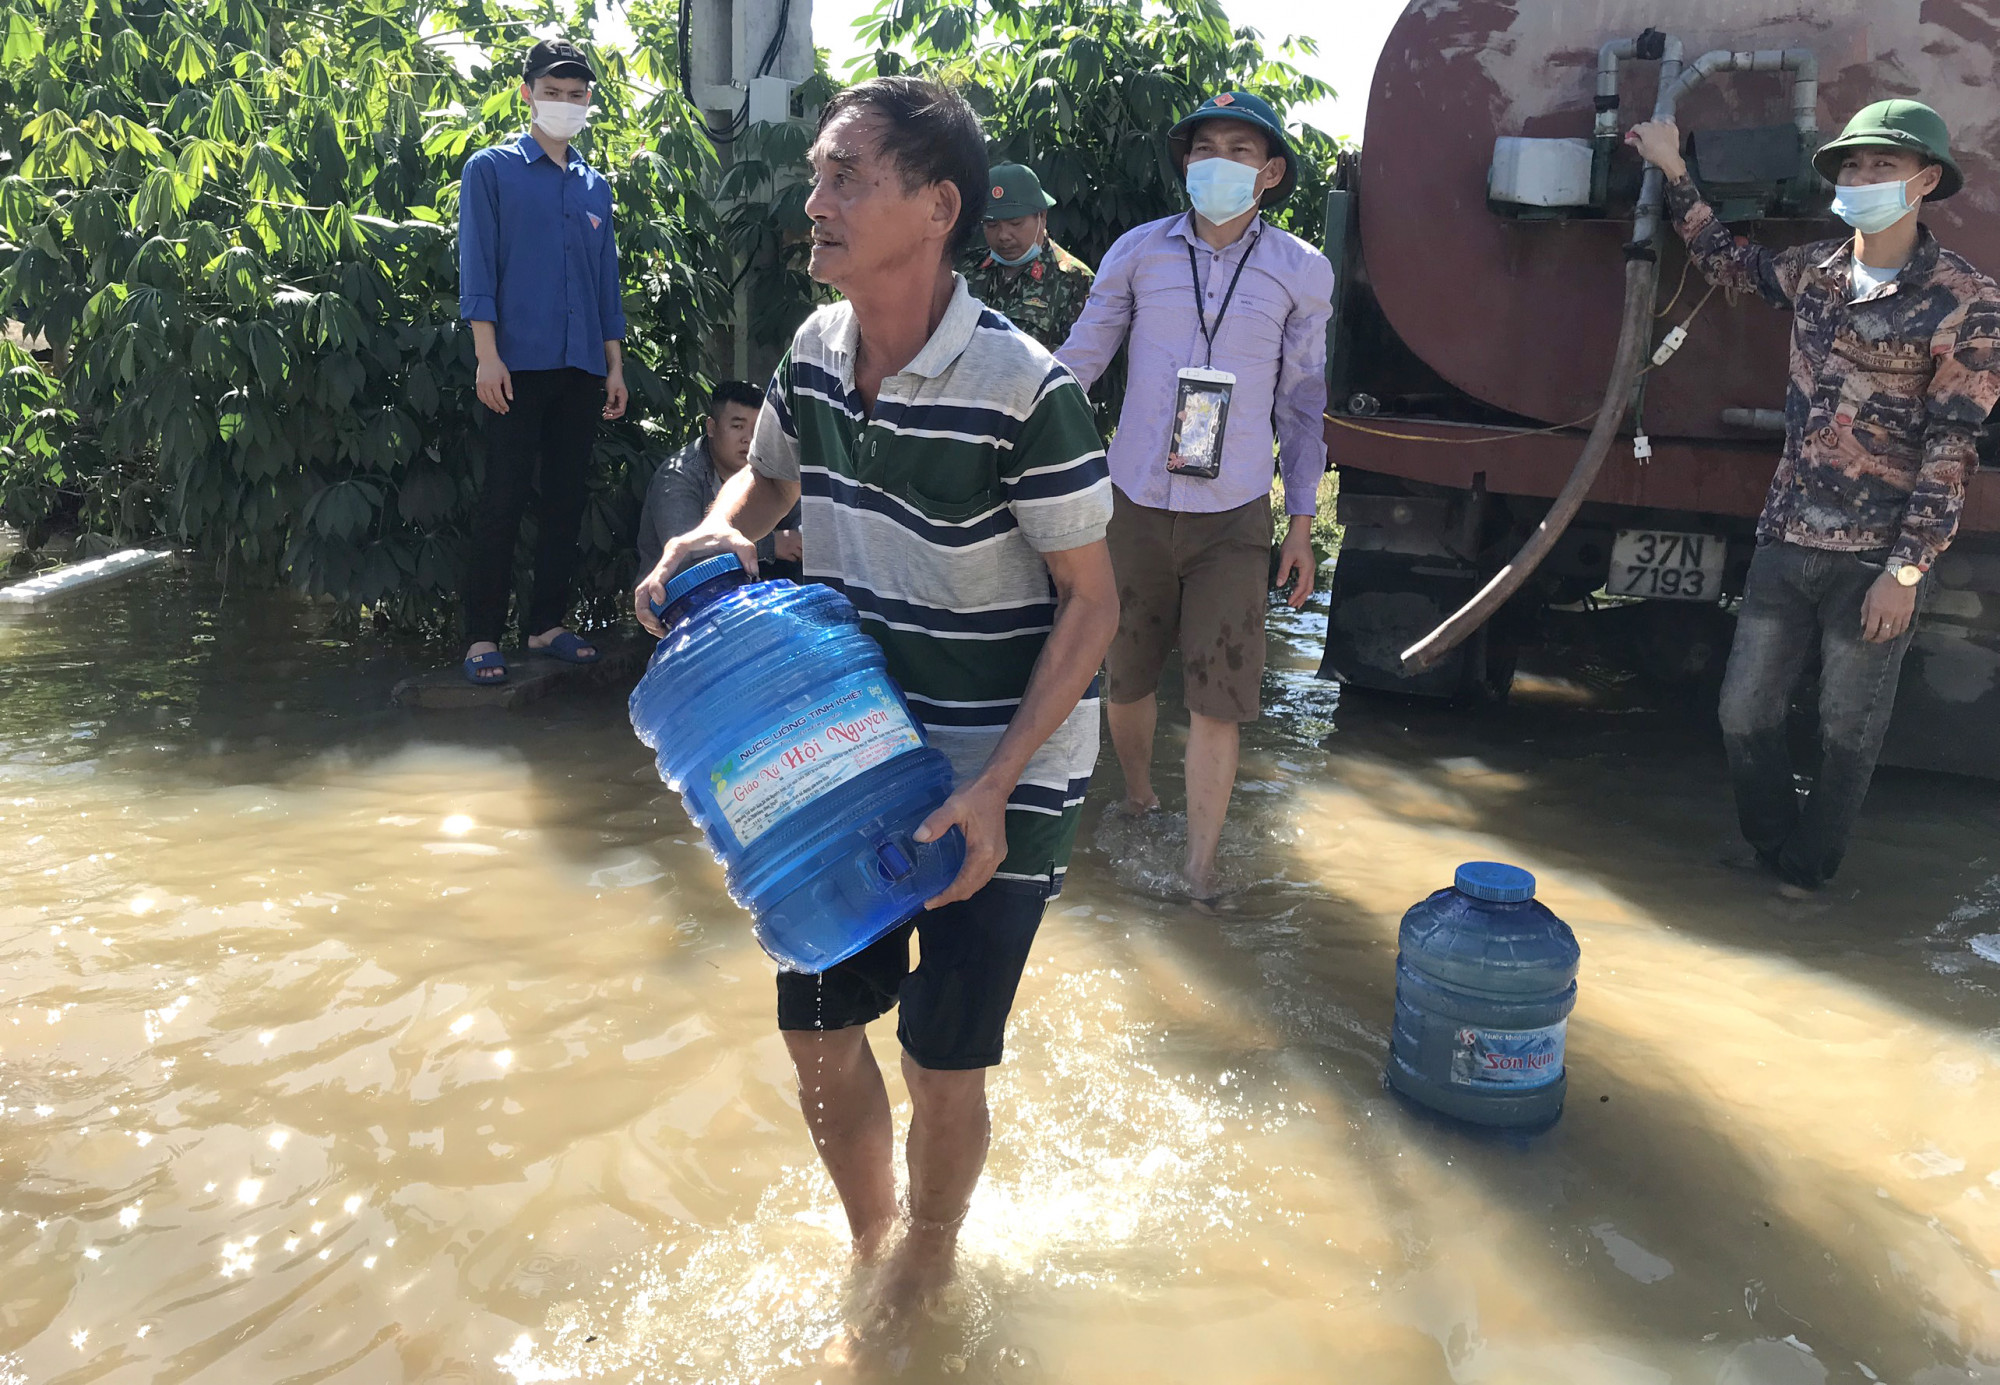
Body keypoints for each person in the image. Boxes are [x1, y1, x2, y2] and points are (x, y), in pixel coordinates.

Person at [634, 78, 1118, 1336]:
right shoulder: (811, 348)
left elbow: (1092, 607)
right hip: (847, 756)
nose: (816, 202)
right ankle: (873, 1240)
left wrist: (995, 785)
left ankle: (931, 1260)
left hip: (993, 767)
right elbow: (767, 477)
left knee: (941, 1055)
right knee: (819, 1031)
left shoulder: (1027, 391)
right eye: (818, 176)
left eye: (847, 177)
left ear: (936, 205)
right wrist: (710, 531)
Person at [1627, 100, 2000, 895]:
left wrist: (1905, 573)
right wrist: (1672, 169)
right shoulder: (1815, 270)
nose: (1861, 180)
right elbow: (1726, 260)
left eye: (1882, 167)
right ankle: (1771, 850)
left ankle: (1807, 879)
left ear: (1924, 180)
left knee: (1846, 731)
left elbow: (1953, 443)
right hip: (1787, 535)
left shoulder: (1966, 300)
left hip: (1875, 556)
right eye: (1852, 168)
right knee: (1743, 713)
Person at [1056, 91, 1334, 901]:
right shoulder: (1138, 253)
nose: (1218, 162)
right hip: (1132, 501)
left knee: (1222, 693)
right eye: (1204, 147)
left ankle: (1200, 869)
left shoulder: (1300, 270)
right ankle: (1140, 796)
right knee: (1128, 673)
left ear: (1271, 173)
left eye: (1240, 152)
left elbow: (1304, 402)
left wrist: (1302, 520)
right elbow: (1082, 359)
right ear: (1185, 163)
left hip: (1237, 515)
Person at [456, 37, 627, 685]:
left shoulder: (595, 188)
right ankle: (479, 637)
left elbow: (605, 283)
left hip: (583, 367)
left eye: (576, 94)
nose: (564, 103)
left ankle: (546, 624)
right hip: (513, 364)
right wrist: (486, 357)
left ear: (588, 102)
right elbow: (477, 267)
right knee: (502, 498)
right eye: (552, 91)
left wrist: (614, 365)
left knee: (564, 499)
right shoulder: (490, 170)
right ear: (526, 93)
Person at [635, 380, 801, 580]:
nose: (748, 438)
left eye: (757, 430)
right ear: (711, 427)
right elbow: (687, 554)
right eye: (738, 426)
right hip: (678, 597)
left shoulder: (771, 466)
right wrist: (772, 545)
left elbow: (801, 521)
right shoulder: (678, 476)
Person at [959, 162, 1094, 351]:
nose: (1003, 235)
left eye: (1015, 223)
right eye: (991, 225)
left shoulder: (1075, 281)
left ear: (1042, 217)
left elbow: (1083, 362)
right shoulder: (964, 270)